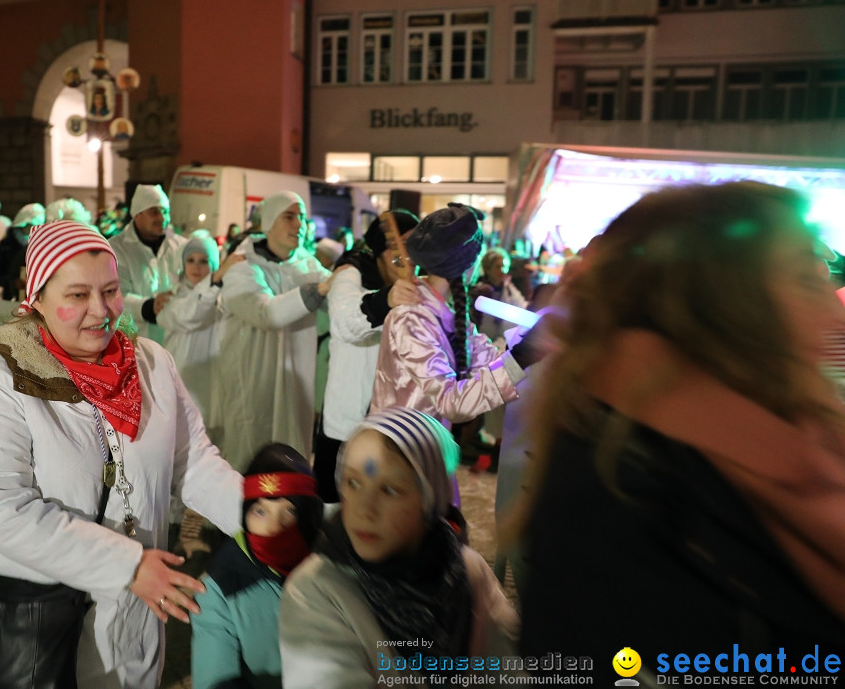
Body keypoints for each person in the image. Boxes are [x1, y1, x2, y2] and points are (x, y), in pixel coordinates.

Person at [516, 182, 845, 684]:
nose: (833, 310)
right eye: (805, 275)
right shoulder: (613, 490)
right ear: (725, 302)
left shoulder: (801, 432)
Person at [0, 220, 243, 689]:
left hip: (135, 615)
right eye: (78, 295)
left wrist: (260, 519)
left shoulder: (151, 363)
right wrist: (127, 565)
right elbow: (4, 510)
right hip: (35, 620)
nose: (101, 311)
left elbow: (193, 460)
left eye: (111, 290)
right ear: (36, 296)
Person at [280, 407, 519, 688]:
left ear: (429, 499)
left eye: (390, 489)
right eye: (353, 483)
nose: (363, 509)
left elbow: (512, 669)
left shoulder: (468, 569)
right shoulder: (316, 590)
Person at [211, 191, 334, 472]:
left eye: (302, 217)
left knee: (291, 460)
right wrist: (317, 291)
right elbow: (265, 314)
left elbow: (341, 300)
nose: (299, 225)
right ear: (269, 222)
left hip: (293, 384)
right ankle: (235, 515)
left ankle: (290, 514)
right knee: (247, 457)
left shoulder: (308, 264)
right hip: (251, 380)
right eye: (289, 217)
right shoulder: (242, 265)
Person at [371, 203, 523, 427]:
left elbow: (487, 359)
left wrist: (521, 351)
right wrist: (522, 358)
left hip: (426, 444)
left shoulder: (449, 312)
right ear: (469, 262)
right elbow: (450, 401)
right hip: (400, 449)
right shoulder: (411, 318)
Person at [191, 442, 322, 689]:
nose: (274, 527)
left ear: (308, 515)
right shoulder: (219, 588)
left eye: (289, 510)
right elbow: (215, 680)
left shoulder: (337, 559)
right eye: (260, 511)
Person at [315, 210, 419, 501]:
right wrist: (386, 299)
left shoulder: (417, 281)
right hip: (347, 423)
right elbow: (346, 323)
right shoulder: (351, 274)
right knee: (335, 507)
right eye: (402, 244)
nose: (409, 254)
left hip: (392, 423)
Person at [159, 234, 241, 424]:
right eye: (191, 260)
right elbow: (190, 315)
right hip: (182, 381)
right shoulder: (170, 298)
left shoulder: (223, 298)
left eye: (204, 261)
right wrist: (215, 281)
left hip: (213, 385)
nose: (196, 267)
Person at [108, 184, 187, 344]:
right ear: (137, 214)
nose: (162, 218)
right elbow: (113, 295)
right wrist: (148, 307)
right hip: (137, 342)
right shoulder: (116, 249)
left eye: (165, 211)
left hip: (177, 340)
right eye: (154, 212)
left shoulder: (181, 246)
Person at [0, 202, 46, 302]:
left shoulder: (41, 246)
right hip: (14, 301)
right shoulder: (6, 246)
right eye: (32, 225)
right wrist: (13, 283)